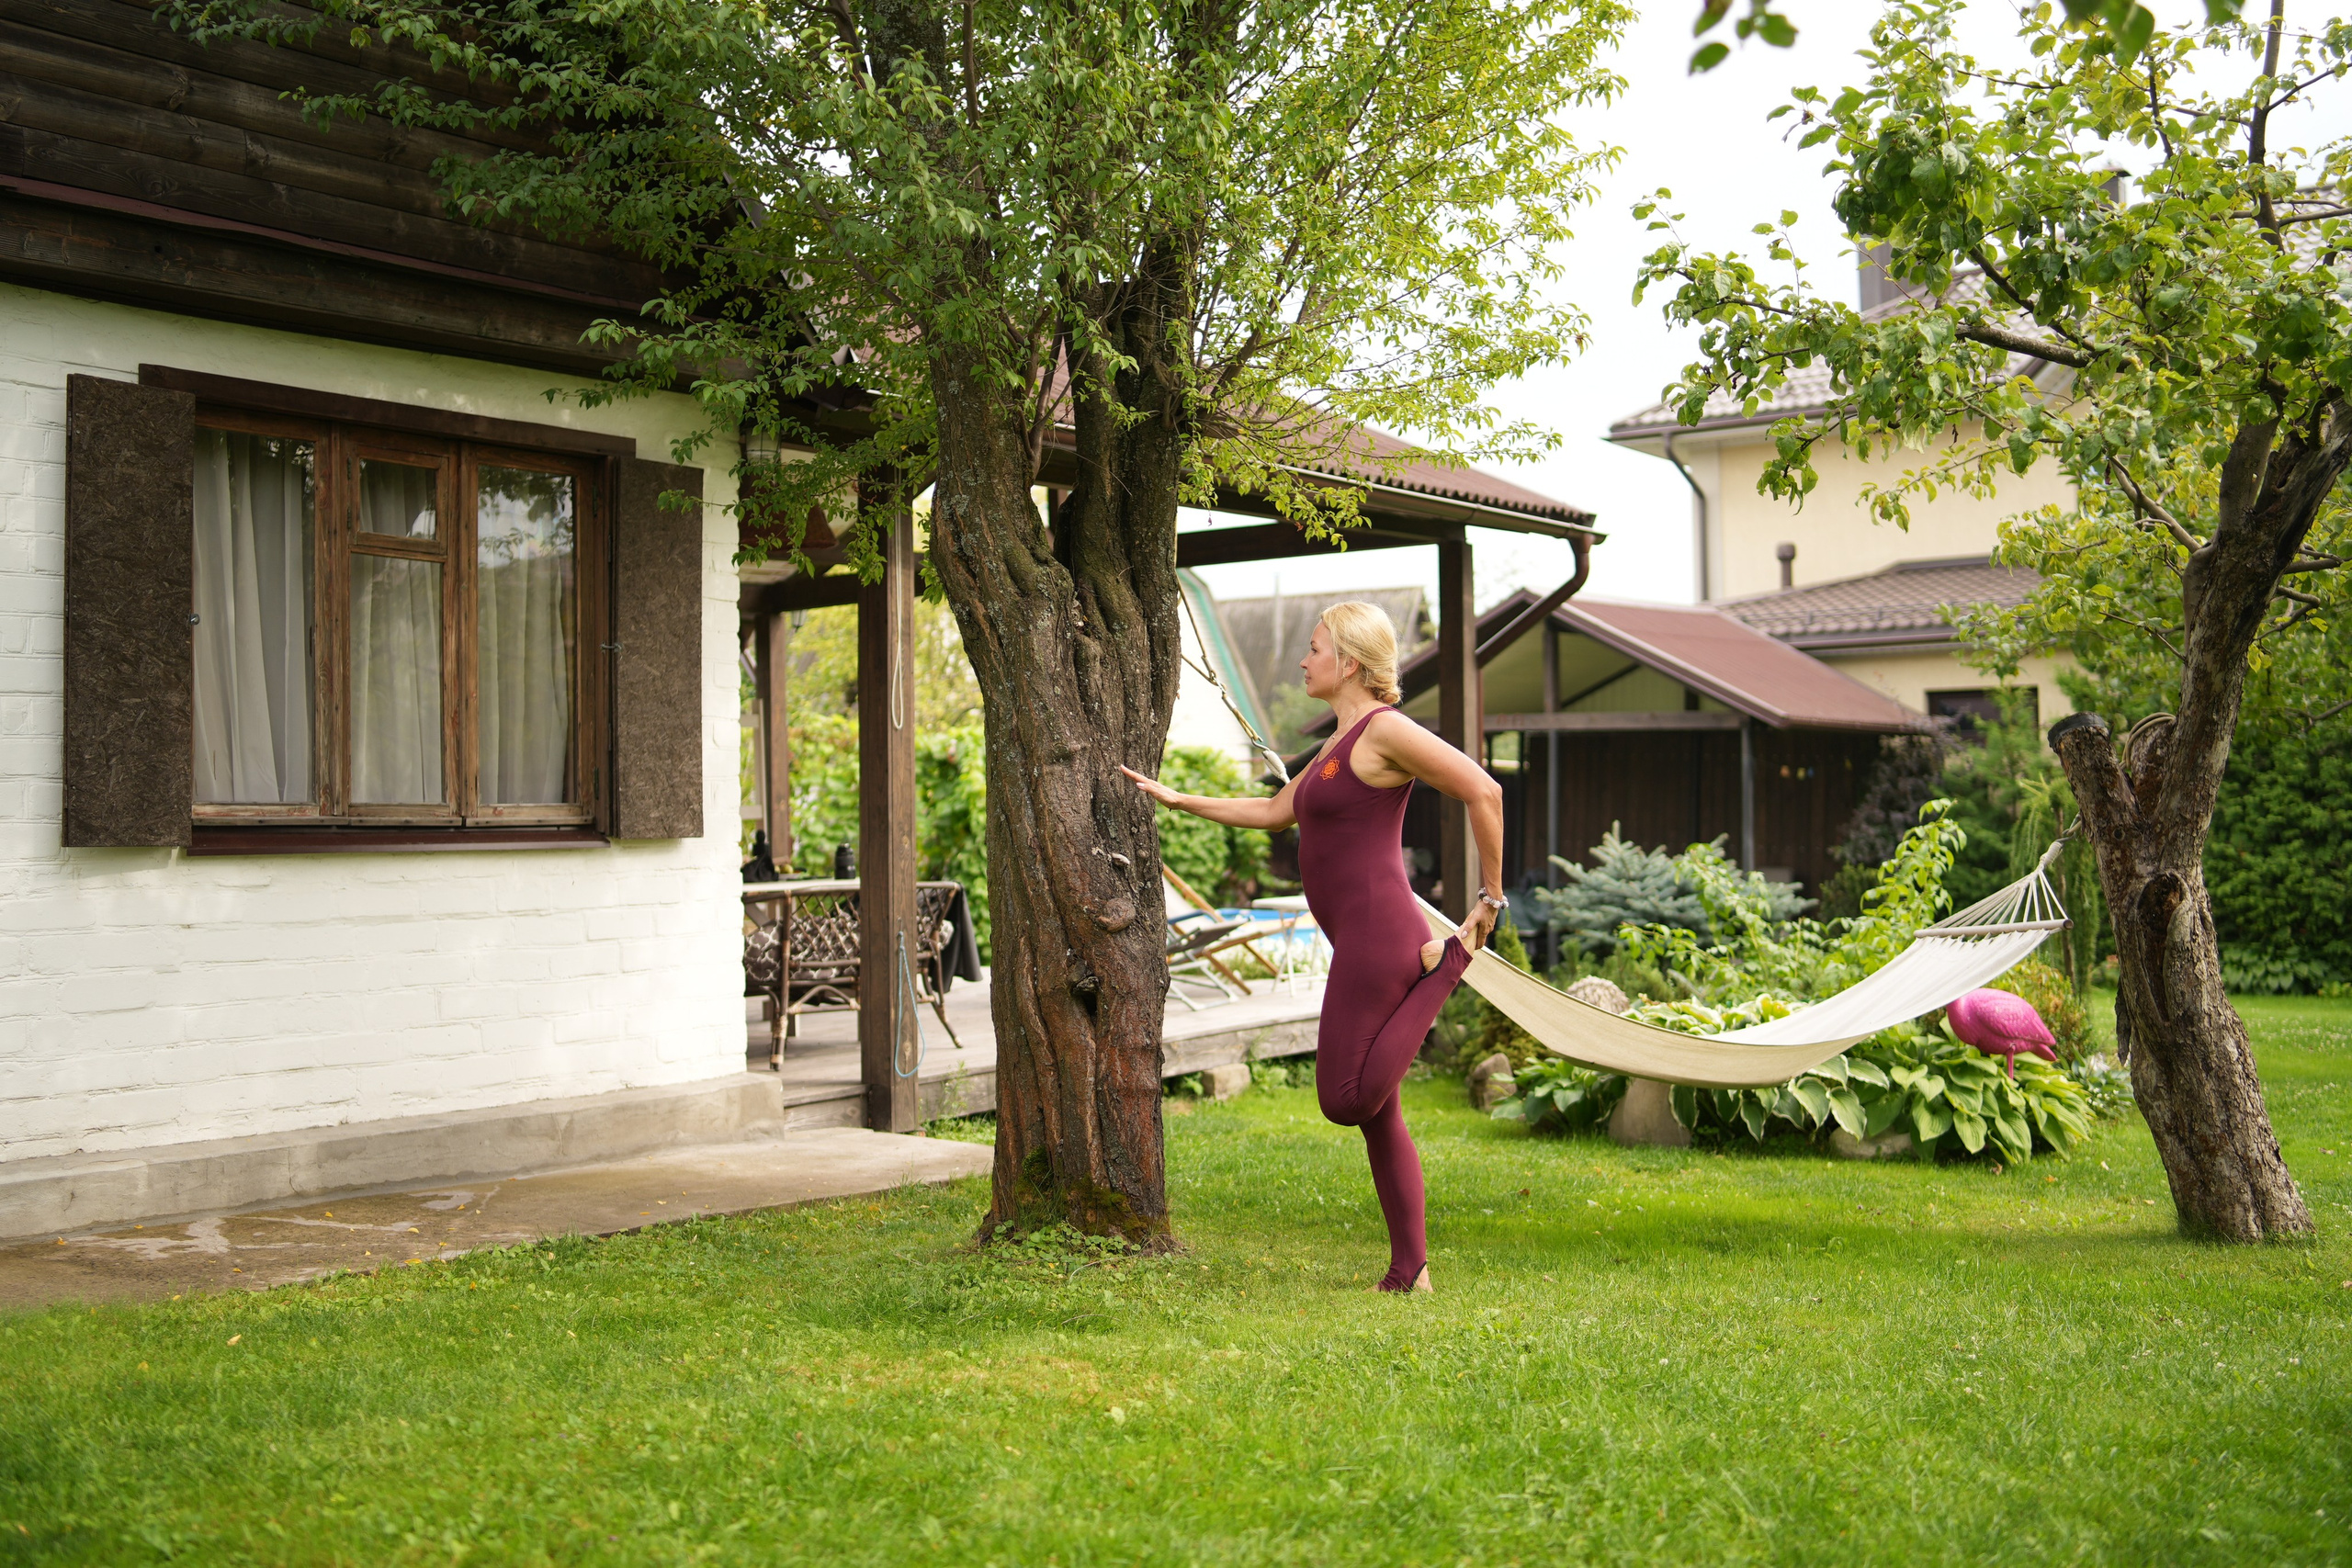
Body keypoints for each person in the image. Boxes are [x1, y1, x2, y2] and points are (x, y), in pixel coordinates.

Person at [1122, 602, 1505, 1293]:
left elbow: (1483, 788)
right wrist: (1178, 800)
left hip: (1381, 932)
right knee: (1379, 1114)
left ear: (1349, 662)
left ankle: (1450, 967)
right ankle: (1408, 1267)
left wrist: (1491, 898)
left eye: (1314, 647)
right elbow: (1273, 812)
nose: (1304, 659)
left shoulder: (1386, 731)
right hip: (1357, 935)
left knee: (1346, 1097)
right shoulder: (1338, 742)